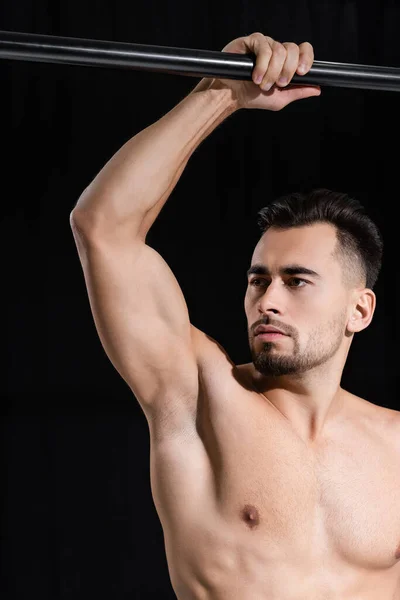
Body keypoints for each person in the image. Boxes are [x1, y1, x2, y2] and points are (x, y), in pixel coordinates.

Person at [70, 32, 400, 600]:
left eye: (296, 281)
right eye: (258, 280)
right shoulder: (198, 396)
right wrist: (221, 92)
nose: (267, 300)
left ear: (359, 309)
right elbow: (104, 228)